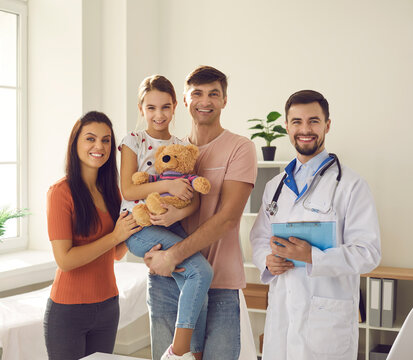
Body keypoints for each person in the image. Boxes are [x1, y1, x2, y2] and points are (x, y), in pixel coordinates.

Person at [249, 90, 381, 360]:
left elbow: (369, 253)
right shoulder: (275, 187)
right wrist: (266, 261)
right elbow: (259, 238)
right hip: (282, 314)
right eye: (296, 122)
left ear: (327, 125)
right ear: (287, 126)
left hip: (326, 320)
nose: (305, 129)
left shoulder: (351, 185)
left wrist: (311, 256)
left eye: (314, 121)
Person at [144, 66, 258, 360]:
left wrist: (173, 255)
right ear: (185, 100)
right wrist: (147, 246)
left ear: (224, 100)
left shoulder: (240, 148)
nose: (205, 101)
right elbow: (144, 201)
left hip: (219, 282)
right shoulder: (170, 151)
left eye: (213, 94)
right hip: (169, 281)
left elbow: (228, 218)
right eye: (197, 93)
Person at [120, 74, 213, 360]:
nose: (158, 115)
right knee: (202, 272)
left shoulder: (181, 145)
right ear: (141, 109)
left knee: (198, 287)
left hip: (170, 227)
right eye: (151, 108)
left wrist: (178, 213)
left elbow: (194, 201)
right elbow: (128, 187)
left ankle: (193, 355)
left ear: (175, 107)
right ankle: (178, 353)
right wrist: (167, 185)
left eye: (164, 107)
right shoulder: (133, 140)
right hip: (138, 227)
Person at [44, 111, 141, 360]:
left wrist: (137, 226)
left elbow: (117, 253)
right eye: (90, 139)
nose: (99, 146)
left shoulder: (112, 193)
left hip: (108, 306)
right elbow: (64, 260)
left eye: (106, 140)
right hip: (68, 311)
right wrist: (114, 236)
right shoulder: (60, 193)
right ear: (75, 142)